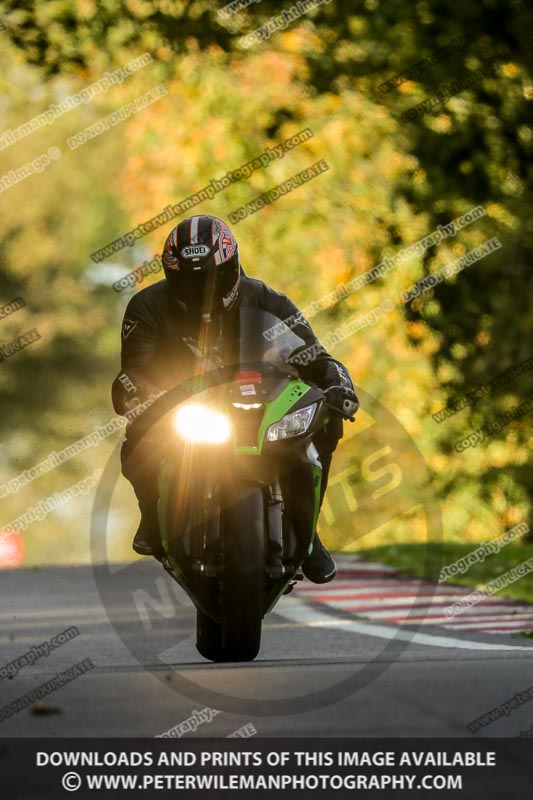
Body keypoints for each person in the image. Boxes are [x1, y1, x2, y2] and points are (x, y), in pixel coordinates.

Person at [111, 215, 358, 583]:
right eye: (191, 281)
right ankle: (152, 515)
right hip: (184, 405)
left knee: (325, 419)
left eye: (211, 279)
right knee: (137, 438)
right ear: (171, 275)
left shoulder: (268, 299)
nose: (203, 290)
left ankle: (308, 533)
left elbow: (317, 357)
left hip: (261, 401)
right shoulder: (147, 307)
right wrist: (140, 395)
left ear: (233, 266)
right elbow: (134, 371)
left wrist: (340, 388)